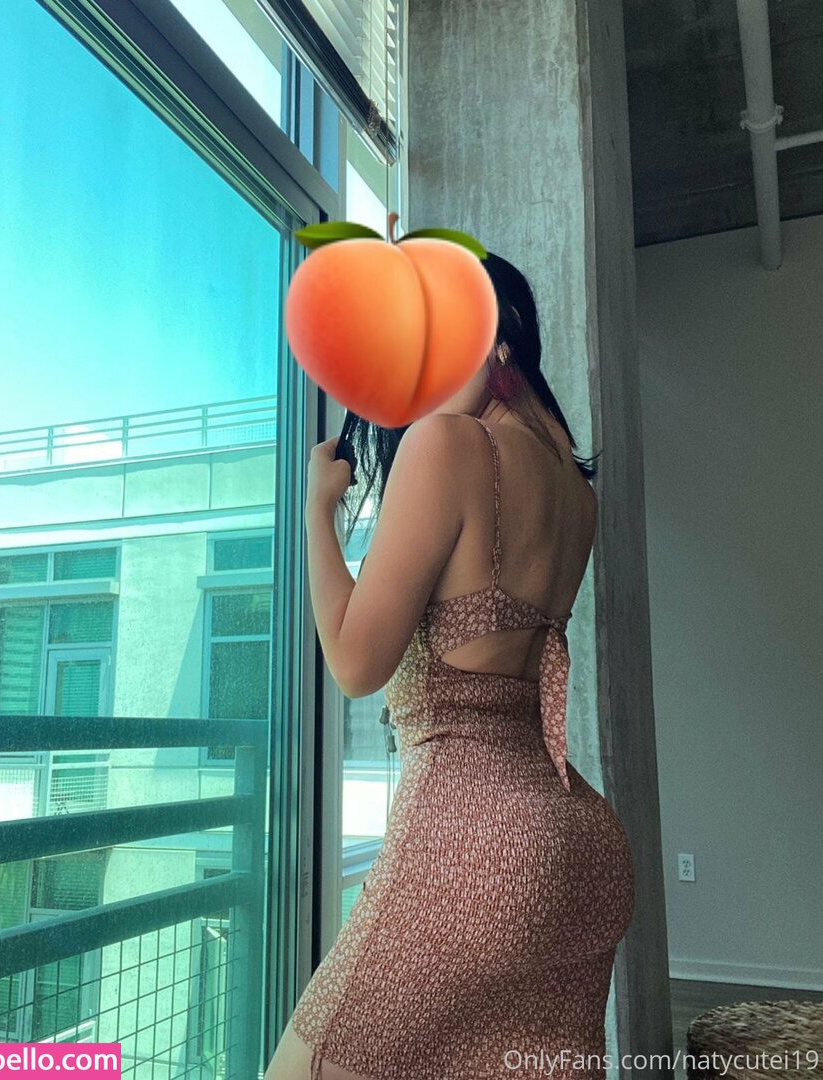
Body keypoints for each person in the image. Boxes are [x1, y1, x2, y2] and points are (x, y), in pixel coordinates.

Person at [264, 251, 636, 1080]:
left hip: (472, 847)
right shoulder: (578, 497)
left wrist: (317, 513)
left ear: (498, 338)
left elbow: (355, 661)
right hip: (582, 850)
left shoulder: (448, 446)